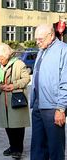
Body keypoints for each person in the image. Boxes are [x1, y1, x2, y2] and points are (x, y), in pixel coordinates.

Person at [30, 24, 67, 160]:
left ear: (51, 36)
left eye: (40, 39)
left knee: (55, 148)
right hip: (38, 105)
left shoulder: (63, 50)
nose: (37, 42)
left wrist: (61, 108)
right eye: (36, 39)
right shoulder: (42, 50)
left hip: (53, 107)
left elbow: (66, 82)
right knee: (38, 147)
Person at [0, 43, 30, 159]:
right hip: (4, 100)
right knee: (8, 125)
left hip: (16, 99)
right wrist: (0, 87)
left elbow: (26, 79)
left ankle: (18, 149)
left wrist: (13, 85)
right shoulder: (0, 66)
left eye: (1, 58)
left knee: (18, 126)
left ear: (7, 55)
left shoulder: (19, 64)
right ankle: (12, 146)